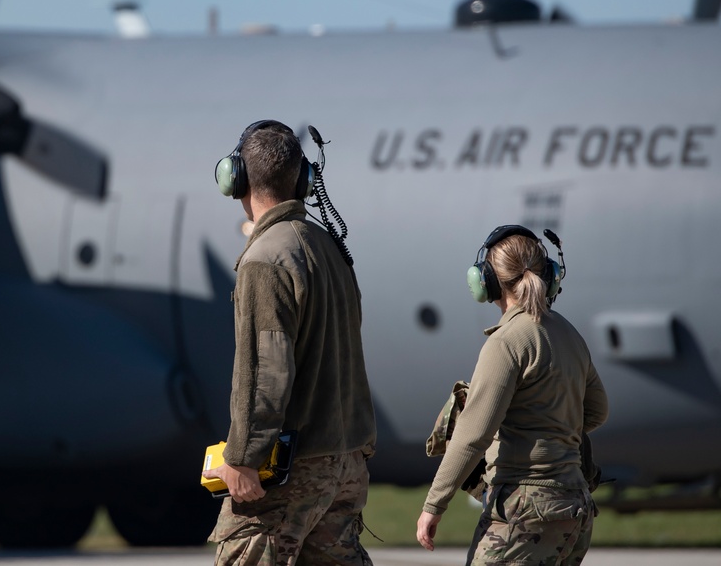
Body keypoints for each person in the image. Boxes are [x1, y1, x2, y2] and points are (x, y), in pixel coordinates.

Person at [203, 120, 377, 565]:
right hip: (344, 461)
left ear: (236, 178)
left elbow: (267, 369)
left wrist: (244, 458)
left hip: (291, 469)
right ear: (304, 181)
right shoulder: (327, 248)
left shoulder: (266, 259)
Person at [416, 225, 609, 565]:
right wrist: (551, 430)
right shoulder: (567, 333)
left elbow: (472, 435)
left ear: (487, 281)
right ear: (549, 276)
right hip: (574, 507)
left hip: (526, 509)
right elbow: (596, 411)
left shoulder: (506, 342)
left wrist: (434, 506)